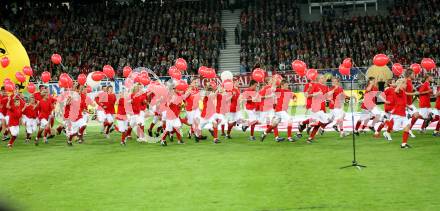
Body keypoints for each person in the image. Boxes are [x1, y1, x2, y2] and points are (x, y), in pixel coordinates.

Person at [388, 78, 412, 148]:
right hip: (398, 113)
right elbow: (396, 90)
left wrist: (408, 106)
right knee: (395, 129)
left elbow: (402, 101)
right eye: (405, 83)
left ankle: (403, 144)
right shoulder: (400, 90)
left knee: (407, 126)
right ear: (401, 84)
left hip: (402, 112)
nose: (406, 85)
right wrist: (400, 83)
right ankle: (385, 121)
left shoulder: (403, 91)